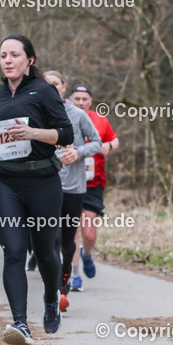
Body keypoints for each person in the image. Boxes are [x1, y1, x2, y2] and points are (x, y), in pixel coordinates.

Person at [0, 35, 72, 345]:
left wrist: (34, 133)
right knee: (13, 251)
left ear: (29, 59)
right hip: (6, 181)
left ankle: (51, 299)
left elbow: (65, 133)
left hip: (43, 181)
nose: (7, 60)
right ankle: (20, 324)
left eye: (14, 54)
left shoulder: (44, 91)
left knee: (45, 252)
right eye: (3, 55)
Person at [42, 70, 101, 311]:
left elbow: (97, 142)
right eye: (46, 85)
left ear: (64, 87)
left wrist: (78, 152)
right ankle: (55, 293)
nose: (51, 88)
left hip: (74, 188)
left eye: (55, 84)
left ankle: (63, 285)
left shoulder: (77, 115)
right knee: (51, 240)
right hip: (45, 185)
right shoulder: (37, 115)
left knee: (67, 243)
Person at [69, 84, 118, 288]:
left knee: (89, 234)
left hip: (93, 183)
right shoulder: (64, 119)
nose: (80, 102)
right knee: (71, 232)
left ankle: (86, 254)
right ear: (71, 99)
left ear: (90, 101)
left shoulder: (100, 120)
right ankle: (74, 275)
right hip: (70, 181)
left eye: (84, 99)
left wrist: (108, 146)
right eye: (77, 98)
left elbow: (115, 141)